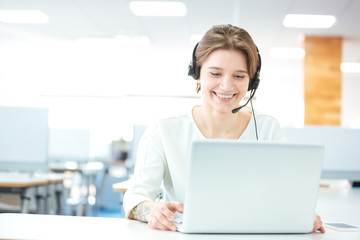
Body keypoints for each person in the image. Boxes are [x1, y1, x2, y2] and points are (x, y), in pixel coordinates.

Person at [123, 24, 325, 233]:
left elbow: (285, 196)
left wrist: (300, 217)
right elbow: (135, 196)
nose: (227, 86)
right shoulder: (165, 129)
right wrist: (151, 210)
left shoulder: (267, 128)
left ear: (252, 81)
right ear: (197, 73)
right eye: (216, 73)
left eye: (239, 76)